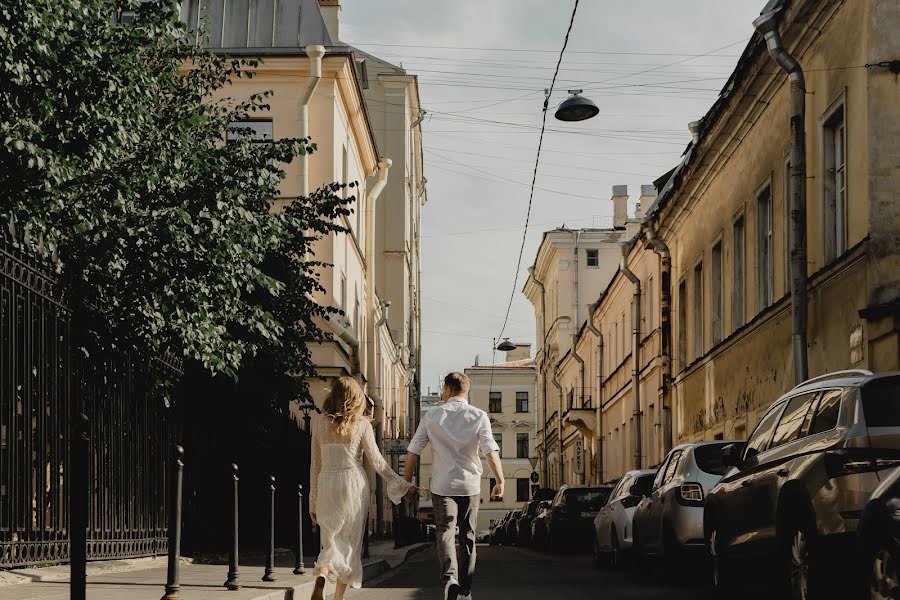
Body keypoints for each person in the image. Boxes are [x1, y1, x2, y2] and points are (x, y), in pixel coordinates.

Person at [309, 376, 416, 600]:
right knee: (350, 543)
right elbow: (377, 462)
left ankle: (323, 573)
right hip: (353, 485)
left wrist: (313, 500)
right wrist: (402, 484)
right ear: (356, 397)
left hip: (327, 483)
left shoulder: (318, 423)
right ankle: (338, 597)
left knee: (330, 539)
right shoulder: (362, 424)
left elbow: (315, 465)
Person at [405, 372, 504, 600]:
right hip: (470, 485)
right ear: (466, 391)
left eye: (443, 390)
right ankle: (465, 591)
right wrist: (500, 480)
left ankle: (450, 579)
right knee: (468, 535)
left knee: (445, 532)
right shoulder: (479, 415)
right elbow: (490, 451)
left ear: (448, 390)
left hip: (443, 486)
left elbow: (413, 451)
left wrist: (406, 481)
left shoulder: (432, 416)